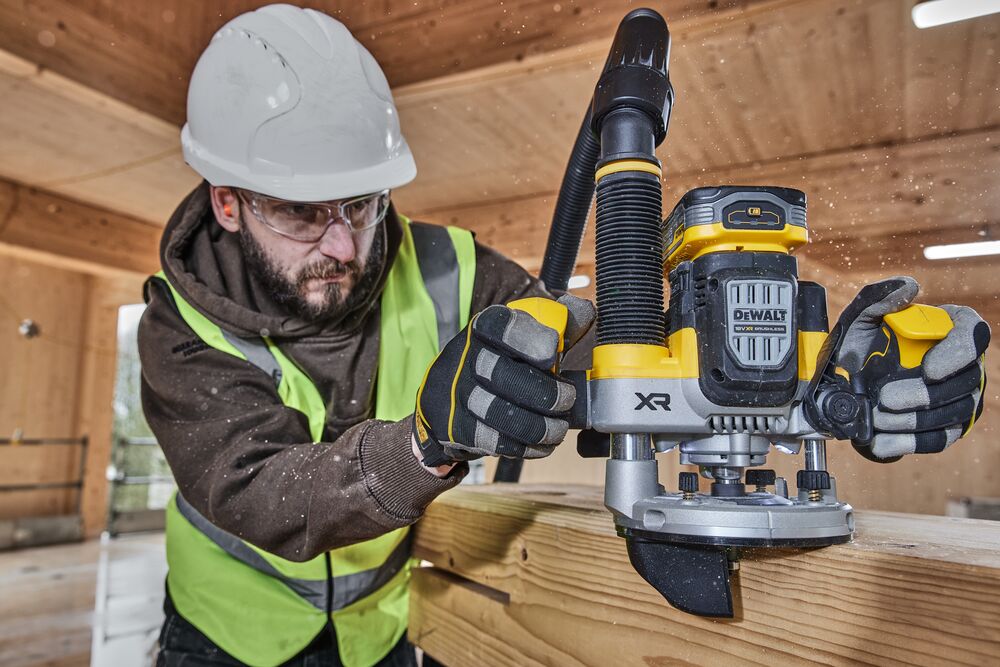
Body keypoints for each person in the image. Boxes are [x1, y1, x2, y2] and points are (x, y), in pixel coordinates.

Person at [140, 5, 988, 667]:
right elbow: (259, 491)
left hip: (380, 632)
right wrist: (424, 442)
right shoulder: (180, 322)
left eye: (361, 203)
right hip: (224, 638)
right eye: (299, 212)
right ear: (227, 201)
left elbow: (603, 356)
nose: (344, 244)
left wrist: (802, 380)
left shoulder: (449, 269)